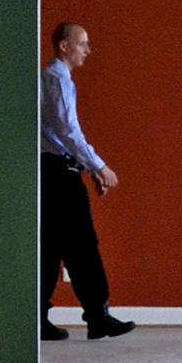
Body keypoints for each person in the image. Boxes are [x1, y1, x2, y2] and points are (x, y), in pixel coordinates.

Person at [38, 22, 135, 341]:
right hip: (58, 173)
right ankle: (97, 316)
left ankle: (38, 320)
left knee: (50, 247)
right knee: (81, 244)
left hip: (51, 171)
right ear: (63, 45)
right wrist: (99, 166)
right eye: (82, 44)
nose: (87, 50)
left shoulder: (53, 79)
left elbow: (59, 135)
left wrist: (88, 168)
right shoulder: (56, 79)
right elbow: (67, 132)